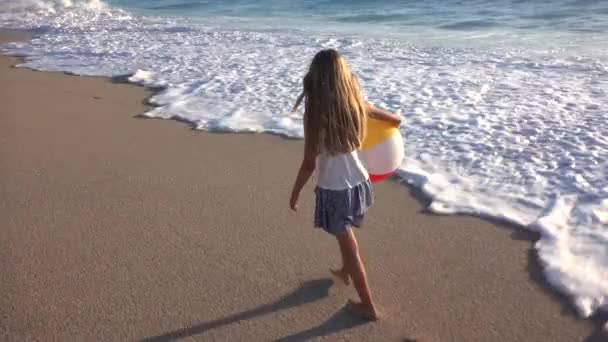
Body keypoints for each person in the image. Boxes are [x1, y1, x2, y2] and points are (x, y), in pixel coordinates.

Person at [289, 49, 401, 321]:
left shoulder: (315, 116)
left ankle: (368, 305)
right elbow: (396, 121)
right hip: (359, 183)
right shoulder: (356, 105)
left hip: (335, 189)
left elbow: (308, 162)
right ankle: (345, 271)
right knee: (345, 231)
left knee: (348, 241)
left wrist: (295, 192)